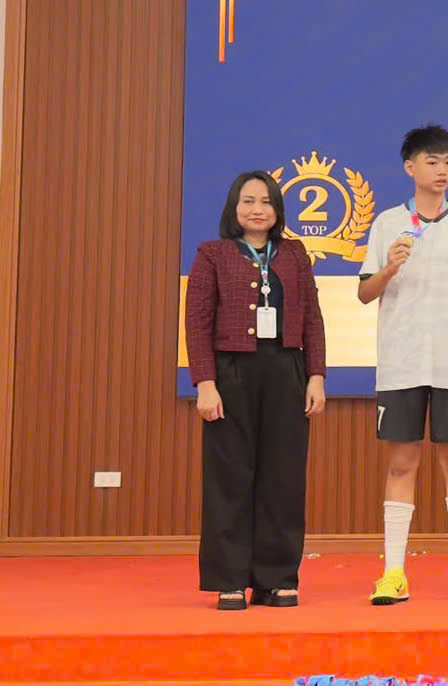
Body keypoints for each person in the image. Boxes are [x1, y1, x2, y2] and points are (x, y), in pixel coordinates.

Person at [359, 126, 448, 606]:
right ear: (410, 167)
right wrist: (390, 267)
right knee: (402, 463)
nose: (442, 170)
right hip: (401, 364)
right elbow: (365, 293)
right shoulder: (387, 224)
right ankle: (393, 574)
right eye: (433, 162)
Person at [186, 171, 326, 610]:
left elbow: (312, 318)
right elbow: (197, 324)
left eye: (266, 202)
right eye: (248, 201)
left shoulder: (295, 254)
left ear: (277, 210)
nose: (257, 209)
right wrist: (205, 384)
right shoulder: (212, 254)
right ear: (234, 207)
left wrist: (316, 375)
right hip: (231, 374)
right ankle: (229, 578)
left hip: (286, 371)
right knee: (229, 478)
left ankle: (276, 578)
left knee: (283, 478)